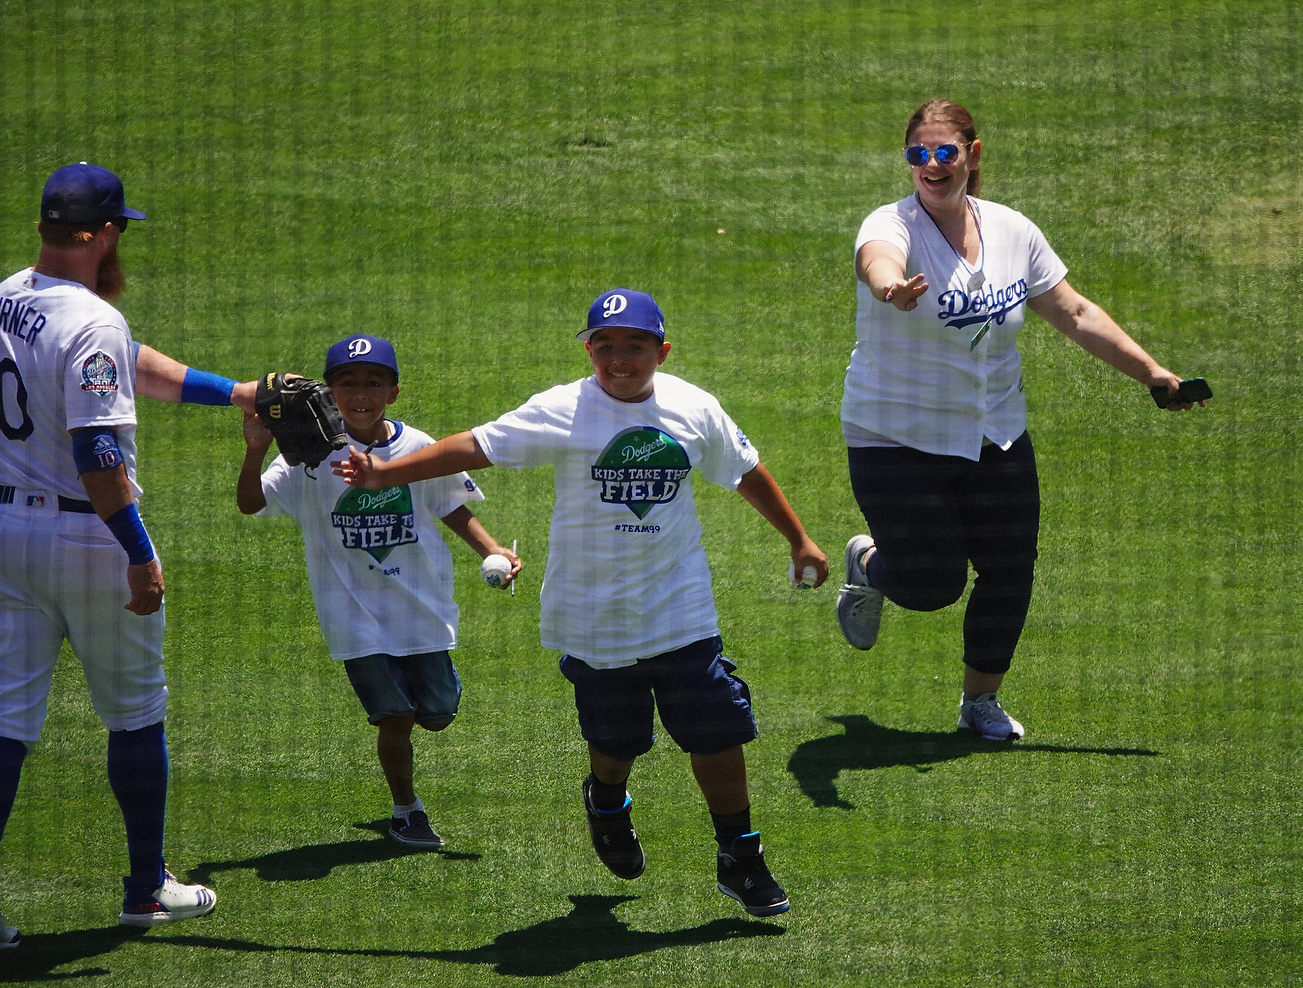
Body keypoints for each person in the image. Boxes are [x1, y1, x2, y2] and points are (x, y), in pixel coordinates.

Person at [332, 289, 828, 918]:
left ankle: (740, 856)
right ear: (589, 349)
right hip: (593, 620)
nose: (619, 360)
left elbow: (745, 469)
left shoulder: (694, 407)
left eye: (635, 347)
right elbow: (474, 446)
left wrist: (800, 540)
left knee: (718, 734)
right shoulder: (562, 410)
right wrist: (382, 474)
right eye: (605, 346)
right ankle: (607, 800)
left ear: (662, 350)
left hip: (682, 609)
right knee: (617, 744)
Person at [0, 162, 255, 954]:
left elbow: (124, 359)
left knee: (2, 721)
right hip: (87, 537)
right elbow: (97, 450)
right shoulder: (94, 323)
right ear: (107, 231)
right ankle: (146, 888)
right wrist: (140, 553)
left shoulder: (7, 294)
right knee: (136, 711)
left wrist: (236, 393)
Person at [836, 99, 1205, 740]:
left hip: (994, 427)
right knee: (932, 585)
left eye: (945, 152)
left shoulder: (1012, 231)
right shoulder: (892, 224)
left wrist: (1155, 375)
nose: (931, 165)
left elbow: (1076, 313)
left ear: (973, 155)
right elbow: (878, 259)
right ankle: (868, 563)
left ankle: (979, 703)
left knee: (1009, 567)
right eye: (917, 154)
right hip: (896, 435)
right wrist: (889, 287)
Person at [235, 334, 519, 848]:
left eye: (373, 383)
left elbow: (449, 504)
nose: (360, 394)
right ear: (328, 391)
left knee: (438, 712)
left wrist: (491, 549)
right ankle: (406, 809)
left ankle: (410, 779)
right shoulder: (306, 453)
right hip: (353, 615)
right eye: (347, 384)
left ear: (393, 392)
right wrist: (256, 451)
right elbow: (252, 504)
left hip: (421, 608)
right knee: (397, 716)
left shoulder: (415, 446)